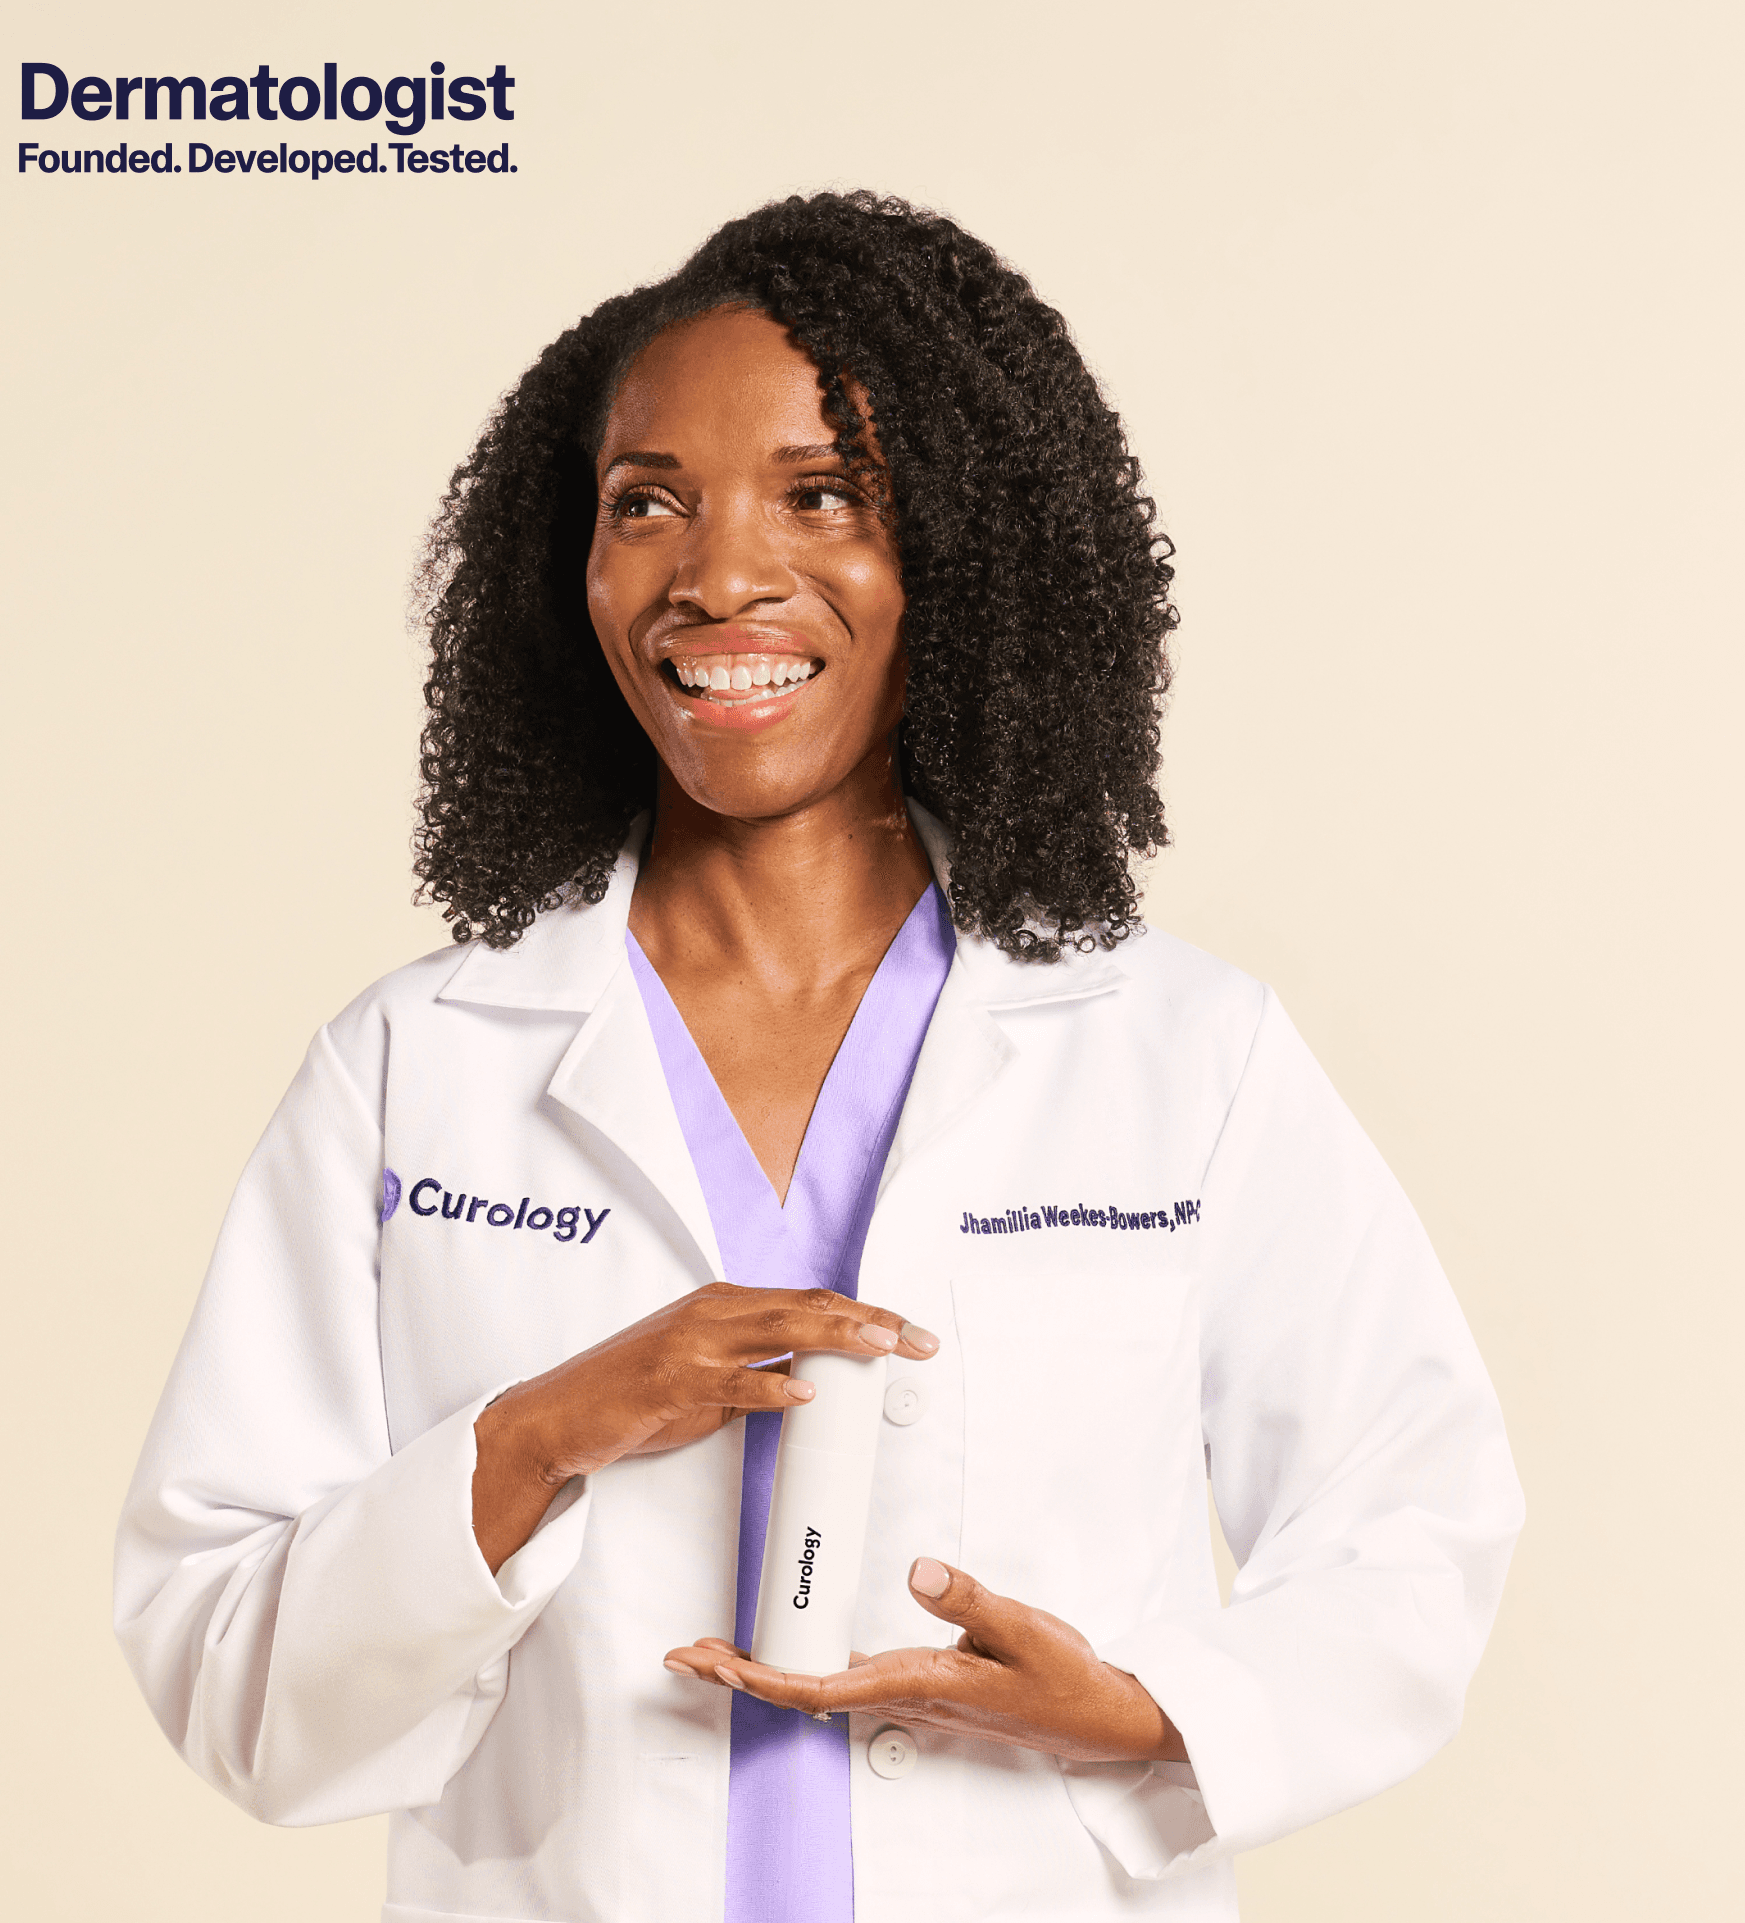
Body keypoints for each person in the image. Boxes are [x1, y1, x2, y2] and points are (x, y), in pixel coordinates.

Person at [115, 191, 1522, 1923]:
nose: (718, 574)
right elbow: (225, 1669)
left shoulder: (1176, 1053)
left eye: (821, 493)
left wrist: (1147, 1715)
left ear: (958, 547)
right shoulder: (415, 1069)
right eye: (649, 504)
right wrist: (538, 1435)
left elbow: (1417, 1526)